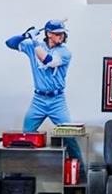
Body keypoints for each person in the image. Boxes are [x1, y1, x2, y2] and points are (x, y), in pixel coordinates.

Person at [5, 19, 82, 162]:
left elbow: (48, 60)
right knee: (26, 135)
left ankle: (81, 172)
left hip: (57, 100)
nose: (61, 36)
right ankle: (26, 169)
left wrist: (34, 41)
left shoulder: (64, 52)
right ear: (48, 34)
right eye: (57, 33)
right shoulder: (33, 45)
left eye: (62, 33)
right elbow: (9, 43)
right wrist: (25, 35)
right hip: (38, 100)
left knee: (69, 136)